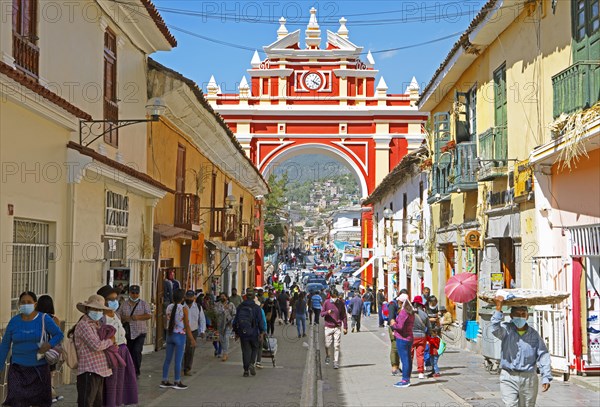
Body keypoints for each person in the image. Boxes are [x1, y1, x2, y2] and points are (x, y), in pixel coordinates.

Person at [0, 291, 63, 407]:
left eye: (29, 302)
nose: (25, 304)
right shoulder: (14, 321)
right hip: (17, 370)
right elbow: (5, 344)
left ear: (35, 304)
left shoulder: (44, 319)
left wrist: (49, 345)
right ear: (19, 304)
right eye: (23, 302)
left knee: (40, 403)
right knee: (16, 402)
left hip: (39, 370)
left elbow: (59, 335)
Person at [492, 296, 552, 406]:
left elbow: (543, 354)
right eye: (517, 314)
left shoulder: (534, 335)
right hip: (508, 376)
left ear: (527, 316)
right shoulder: (506, 330)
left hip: (528, 377)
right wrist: (498, 307)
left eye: (523, 314)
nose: (520, 317)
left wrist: (546, 377)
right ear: (511, 316)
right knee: (510, 405)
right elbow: (495, 328)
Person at [96, 285, 138, 407]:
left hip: (123, 351)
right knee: (111, 383)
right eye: (111, 299)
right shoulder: (101, 318)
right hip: (111, 353)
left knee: (121, 382)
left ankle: (117, 403)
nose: (114, 302)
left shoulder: (116, 315)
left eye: (116, 298)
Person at [73, 294, 116, 406]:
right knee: (87, 402)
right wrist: (110, 341)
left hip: (98, 369)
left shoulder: (96, 324)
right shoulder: (84, 325)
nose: (97, 312)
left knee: (97, 402)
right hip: (89, 369)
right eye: (94, 309)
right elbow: (96, 345)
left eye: (99, 309)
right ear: (87, 309)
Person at [161, 289, 196, 389]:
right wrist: (192, 339)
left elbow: (165, 321)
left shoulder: (169, 307)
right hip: (180, 335)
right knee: (178, 360)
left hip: (170, 334)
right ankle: (177, 381)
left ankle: (164, 380)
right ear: (183, 298)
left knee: (167, 359)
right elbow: (187, 325)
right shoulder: (184, 308)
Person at [35, 294, 64, 403]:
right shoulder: (55, 319)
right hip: (51, 350)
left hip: (39, 349)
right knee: (50, 373)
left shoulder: (36, 318)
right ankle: (49, 393)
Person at [118, 284, 152, 378]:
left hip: (140, 332)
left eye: (137, 293)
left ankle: (136, 371)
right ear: (129, 293)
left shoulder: (144, 304)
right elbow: (118, 316)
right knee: (129, 352)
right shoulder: (124, 304)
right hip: (128, 333)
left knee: (137, 351)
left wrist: (138, 317)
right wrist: (125, 318)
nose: (135, 295)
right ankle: (128, 370)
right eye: (133, 293)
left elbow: (149, 315)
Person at [233, 289, 266, 377]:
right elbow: (260, 321)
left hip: (243, 333)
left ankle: (246, 370)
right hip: (254, 332)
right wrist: (262, 332)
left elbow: (235, 321)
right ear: (254, 297)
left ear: (246, 297)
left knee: (245, 351)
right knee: (255, 348)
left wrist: (236, 332)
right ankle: (252, 363)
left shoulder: (240, 307)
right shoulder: (256, 308)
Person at [390, 293, 415, 388]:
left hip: (402, 338)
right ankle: (407, 378)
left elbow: (399, 326)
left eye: (399, 301)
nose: (398, 302)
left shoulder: (404, 312)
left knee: (405, 360)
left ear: (401, 302)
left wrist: (393, 324)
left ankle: (405, 380)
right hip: (409, 337)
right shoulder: (411, 311)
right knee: (408, 359)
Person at [321, 289, 348, 369]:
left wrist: (345, 327)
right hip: (328, 326)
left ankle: (335, 362)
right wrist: (327, 312)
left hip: (337, 327)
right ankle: (328, 355)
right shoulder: (326, 302)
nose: (334, 298)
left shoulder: (340, 303)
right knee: (327, 345)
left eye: (335, 297)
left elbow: (344, 316)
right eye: (333, 297)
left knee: (337, 345)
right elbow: (322, 314)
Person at [183, 290, 206, 375]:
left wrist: (202, 330)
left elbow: (202, 319)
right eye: (187, 297)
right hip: (183, 331)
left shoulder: (198, 307)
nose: (189, 298)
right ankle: (182, 366)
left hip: (193, 331)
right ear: (185, 297)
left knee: (190, 350)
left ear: (194, 298)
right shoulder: (181, 306)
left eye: (191, 297)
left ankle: (187, 368)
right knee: (183, 350)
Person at [411, 295, 431, 379]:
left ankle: (408, 371)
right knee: (420, 355)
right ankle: (421, 372)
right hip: (422, 337)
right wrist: (429, 335)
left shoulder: (409, 313)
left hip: (411, 336)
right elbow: (429, 326)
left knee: (410, 355)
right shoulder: (424, 314)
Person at [214, 292, 236, 362]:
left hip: (228, 324)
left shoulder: (231, 304)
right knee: (221, 338)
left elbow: (234, 313)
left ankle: (225, 353)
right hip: (220, 324)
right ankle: (225, 351)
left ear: (226, 297)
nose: (222, 297)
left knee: (226, 337)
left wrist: (232, 322)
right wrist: (224, 309)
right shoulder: (217, 304)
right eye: (221, 296)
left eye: (224, 296)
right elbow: (216, 312)